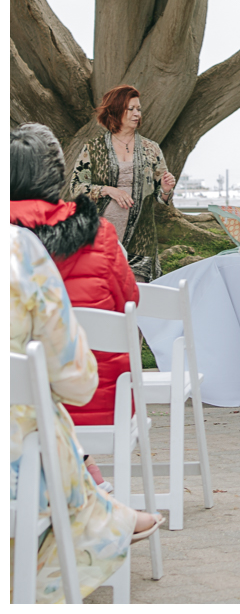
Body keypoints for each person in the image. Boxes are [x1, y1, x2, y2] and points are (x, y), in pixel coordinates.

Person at [10, 223, 162, 603]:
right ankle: (101, 513)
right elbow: (78, 380)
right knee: (40, 420)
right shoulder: (22, 249)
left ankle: (101, 501)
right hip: (87, 412)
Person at [11, 124, 139, 483]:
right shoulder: (100, 233)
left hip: (15, 406)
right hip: (97, 402)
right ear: (58, 174)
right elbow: (130, 302)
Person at [70, 84, 176, 282]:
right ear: (117, 111)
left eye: (139, 109)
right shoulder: (92, 148)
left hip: (140, 241)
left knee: (139, 296)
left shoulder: (151, 148)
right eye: (131, 109)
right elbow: (76, 189)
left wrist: (165, 190)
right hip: (99, 240)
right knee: (101, 293)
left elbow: (161, 199)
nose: (137, 114)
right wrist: (108, 190)